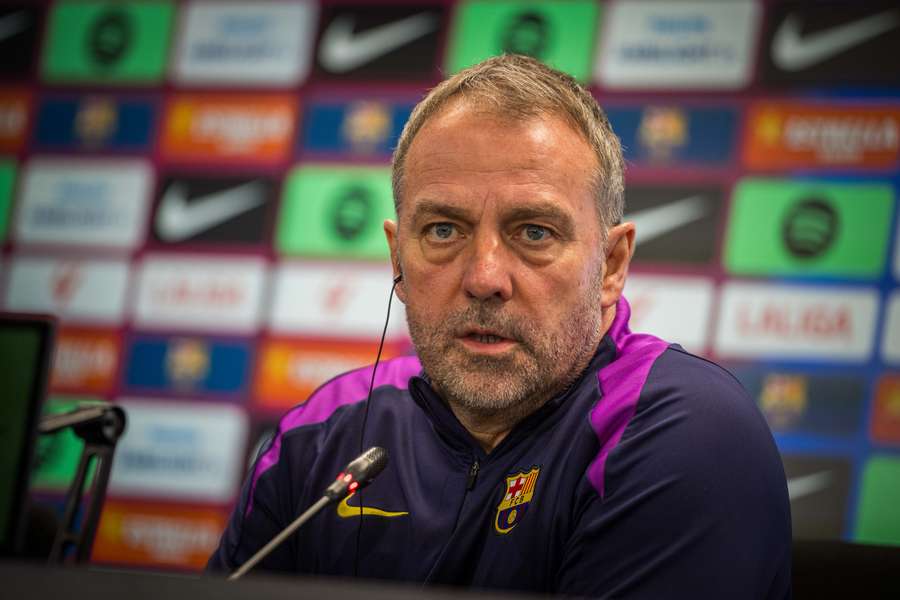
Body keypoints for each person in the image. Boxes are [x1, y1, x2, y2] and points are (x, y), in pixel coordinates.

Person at [208, 55, 792, 597]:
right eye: (443, 230)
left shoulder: (684, 431)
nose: (485, 277)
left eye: (534, 232)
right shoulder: (324, 433)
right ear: (397, 259)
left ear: (611, 265)